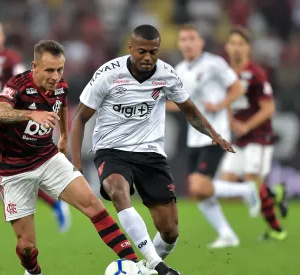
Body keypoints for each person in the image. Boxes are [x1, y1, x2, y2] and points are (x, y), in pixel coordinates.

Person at [70, 24, 234, 273]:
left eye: (153, 52)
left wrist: (214, 134)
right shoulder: (108, 74)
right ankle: (157, 265)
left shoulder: (166, 74)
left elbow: (190, 110)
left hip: (151, 153)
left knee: (170, 231)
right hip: (111, 150)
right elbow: (80, 118)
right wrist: (77, 164)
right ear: (130, 48)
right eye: (142, 52)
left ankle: (146, 268)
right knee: (117, 190)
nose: (147, 58)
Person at [0, 40, 157, 275]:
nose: (55, 76)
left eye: (59, 69)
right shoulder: (17, 85)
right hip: (14, 170)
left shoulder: (61, 86)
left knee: (94, 206)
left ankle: (135, 265)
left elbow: (62, 106)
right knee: (26, 247)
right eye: (49, 70)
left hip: (47, 158)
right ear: (34, 66)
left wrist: (65, 136)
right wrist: (31, 114)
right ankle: (33, 271)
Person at [0, 20, 70, 235]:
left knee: (18, 177)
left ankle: (56, 204)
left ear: (2, 37)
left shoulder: (11, 60)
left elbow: (24, 85)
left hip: (6, 126)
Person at [167, 24, 260, 248]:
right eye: (183, 39)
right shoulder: (179, 69)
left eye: (192, 38)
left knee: (199, 186)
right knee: (198, 190)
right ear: (179, 44)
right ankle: (227, 234)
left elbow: (237, 88)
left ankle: (247, 190)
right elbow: (180, 105)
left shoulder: (214, 64)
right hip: (194, 136)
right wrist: (156, 105)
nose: (188, 43)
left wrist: (220, 105)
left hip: (215, 133)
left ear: (201, 42)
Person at [218, 26, 288, 241]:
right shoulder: (225, 74)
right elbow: (228, 103)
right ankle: (275, 193)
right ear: (227, 47)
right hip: (239, 138)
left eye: (241, 43)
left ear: (248, 48)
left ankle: (277, 231)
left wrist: (246, 126)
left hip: (259, 137)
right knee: (227, 181)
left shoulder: (255, 73)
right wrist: (230, 121)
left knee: (252, 181)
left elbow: (269, 107)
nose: (236, 48)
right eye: (233, 43)